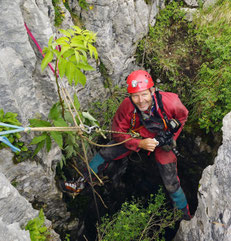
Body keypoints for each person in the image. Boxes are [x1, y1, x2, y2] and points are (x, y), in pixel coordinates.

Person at [60, 70, 191, 220]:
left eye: (144, 94)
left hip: (162, 142)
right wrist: (139, 143)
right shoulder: (127, 106)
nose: (141, 100)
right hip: (139, 136)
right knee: (107, 152)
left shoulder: (170, 102)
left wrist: (170, 137)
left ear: (152, 91)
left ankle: (184, 215)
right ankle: (80, 183)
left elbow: (182, 116)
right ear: (130, 96)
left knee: (171, 182)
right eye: (135, 96)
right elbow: (117, 132)